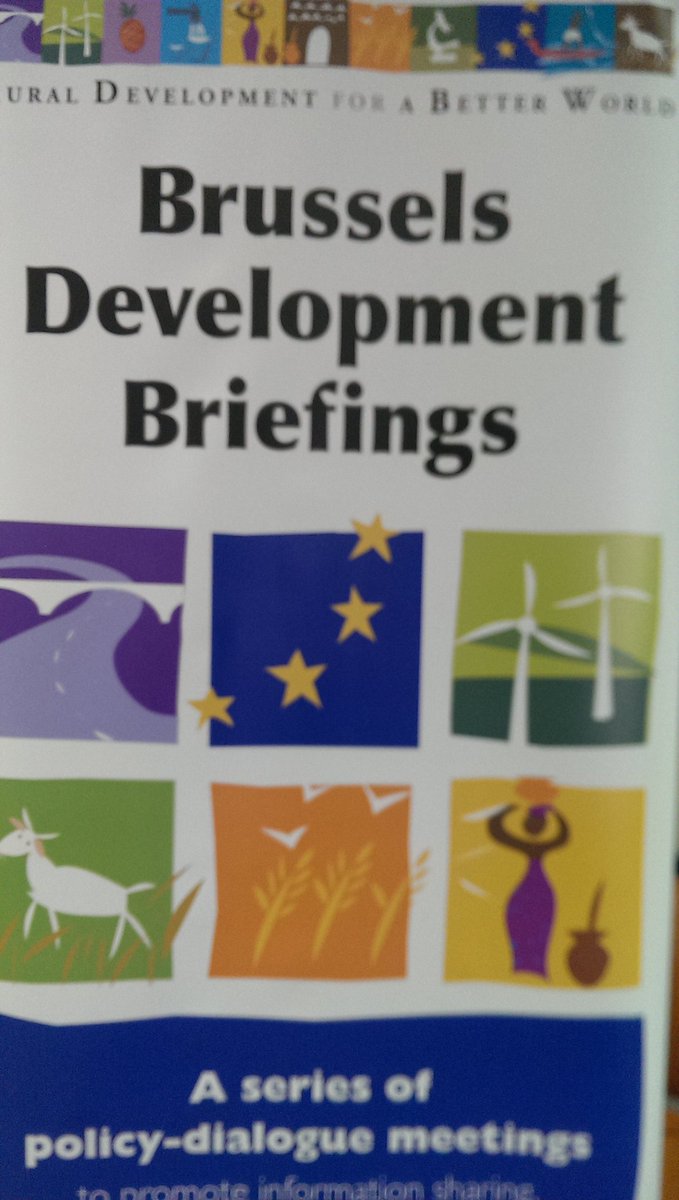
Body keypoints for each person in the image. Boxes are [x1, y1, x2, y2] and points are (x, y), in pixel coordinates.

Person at [487, 777, 570, 978]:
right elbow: (497, 829)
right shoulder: (533, 846)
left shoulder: (534, 846)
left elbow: (498, 829)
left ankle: (534, 965)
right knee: (521, 929)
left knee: (540, 929)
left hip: (538, 894)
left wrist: (508, 809)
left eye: (538, 823)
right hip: (530, 893)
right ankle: (522, 964)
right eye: (534, 822)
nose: (535, 827)